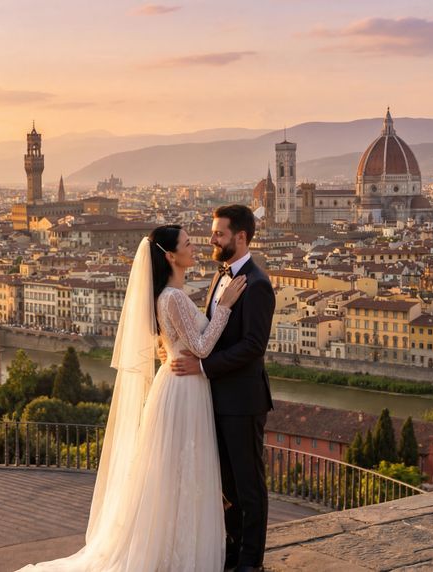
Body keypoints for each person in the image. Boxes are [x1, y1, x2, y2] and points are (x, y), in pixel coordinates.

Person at [17, 224, 246, 572]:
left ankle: (171, 547)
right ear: (170, 256)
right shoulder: (173, 297)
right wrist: (226, 307)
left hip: (178, 386)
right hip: (183, 390)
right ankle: (178, 553)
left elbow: (180, 343)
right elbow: (200, 347)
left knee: (172, 472)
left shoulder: (169, 296)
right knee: (181, 471)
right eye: (187, 243)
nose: (194, 247)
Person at [170, 205, 275, 572]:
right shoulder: (220, 278)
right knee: (227, 483)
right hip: (217, 397)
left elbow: (252, 347)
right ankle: (233, 549)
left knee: (249, 484)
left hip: (244, 401)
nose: (211, 239)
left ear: (240, 237)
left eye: (219, 233)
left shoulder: (258, 285)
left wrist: (202, 367)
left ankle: (251, 561)